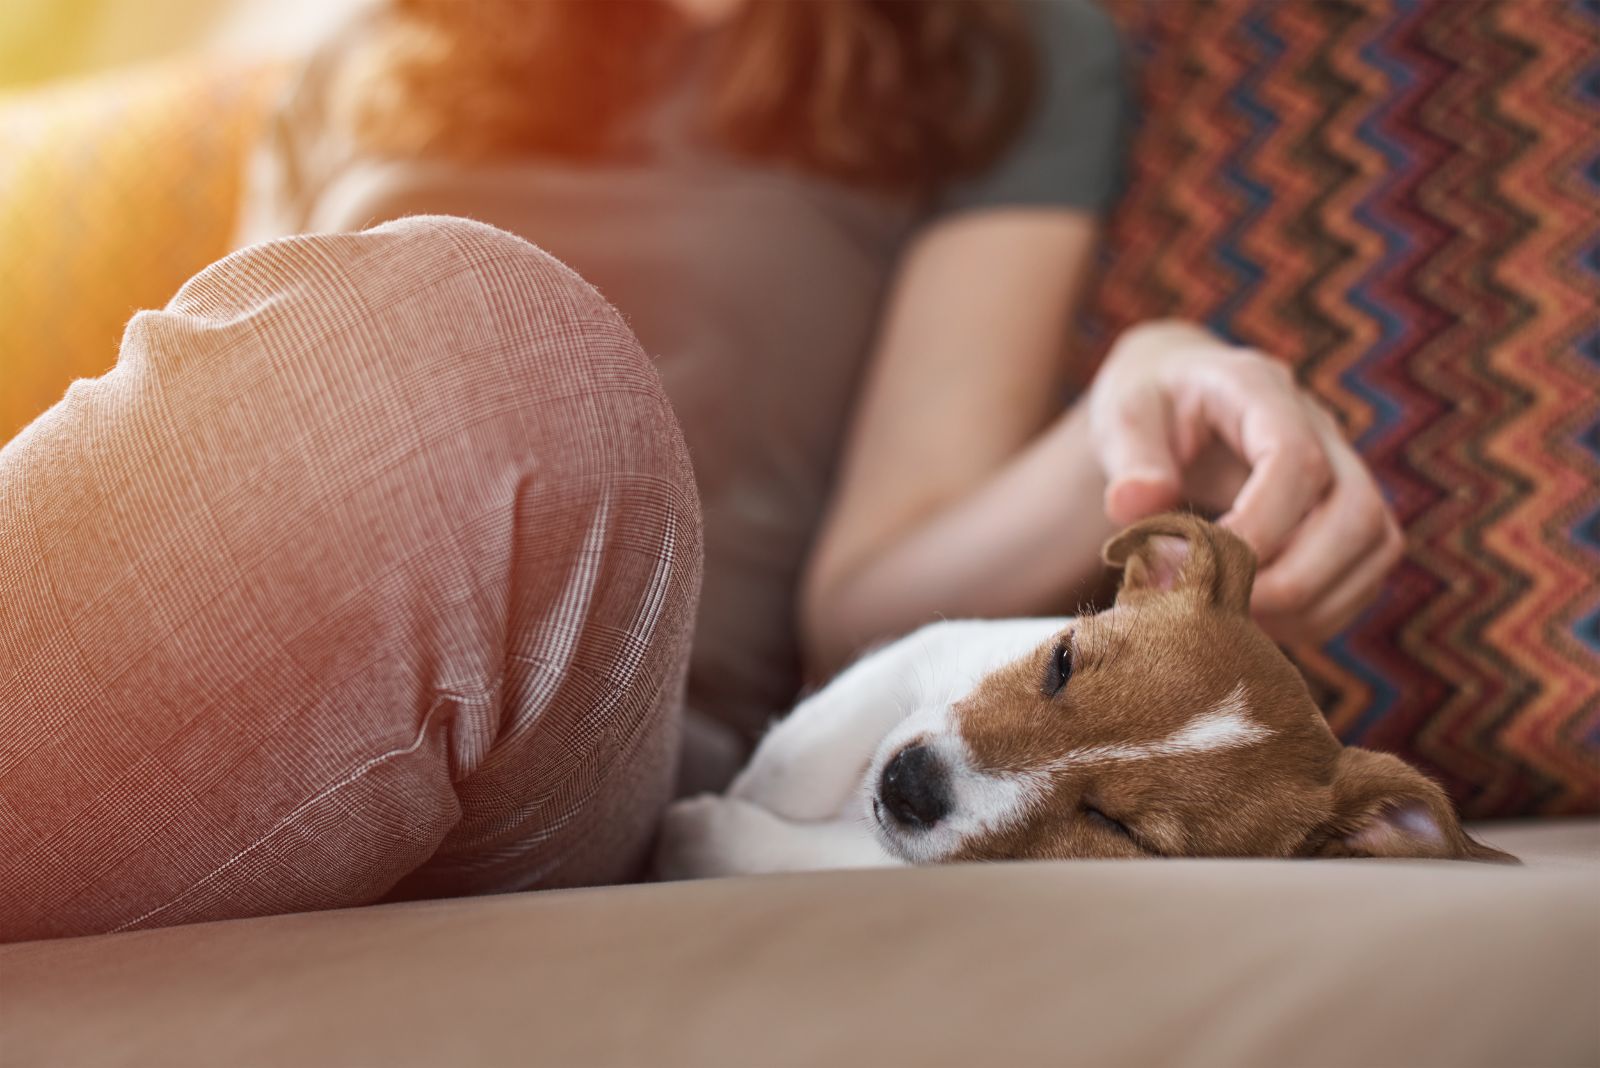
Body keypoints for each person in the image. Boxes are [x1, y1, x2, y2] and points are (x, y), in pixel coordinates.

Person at [0, 0, 1399, 942]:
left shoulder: (994, 48)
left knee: (466, 337)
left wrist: (1135, 393)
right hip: (247, 706)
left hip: (610, 738)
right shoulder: (368, 56)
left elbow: (865, 598)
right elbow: (191, 461)